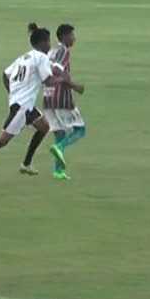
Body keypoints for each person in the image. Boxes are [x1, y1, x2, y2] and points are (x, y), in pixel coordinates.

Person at [0, 24, 63, 186]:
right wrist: (63, 79)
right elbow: (47, 81)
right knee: (3, 140)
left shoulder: (23, 58)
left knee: (44, 127)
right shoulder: (41, 57)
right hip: (22, 108)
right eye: (48, 41)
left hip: (23, 105)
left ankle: (26, 164)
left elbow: (5, 74)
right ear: (42, 42)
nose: (49, 45)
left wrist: (13, 94)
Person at [44, 23, 87, 181]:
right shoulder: (63, 51)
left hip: (48, 98)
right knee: (80, 130)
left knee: (60, 133)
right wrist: (74, 85)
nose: (74, 38)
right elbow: (56, 70)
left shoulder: (51, 51)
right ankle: (59, 148)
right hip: (61, 98)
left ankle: (58, 171)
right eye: (72, 35)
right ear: (64, 37)